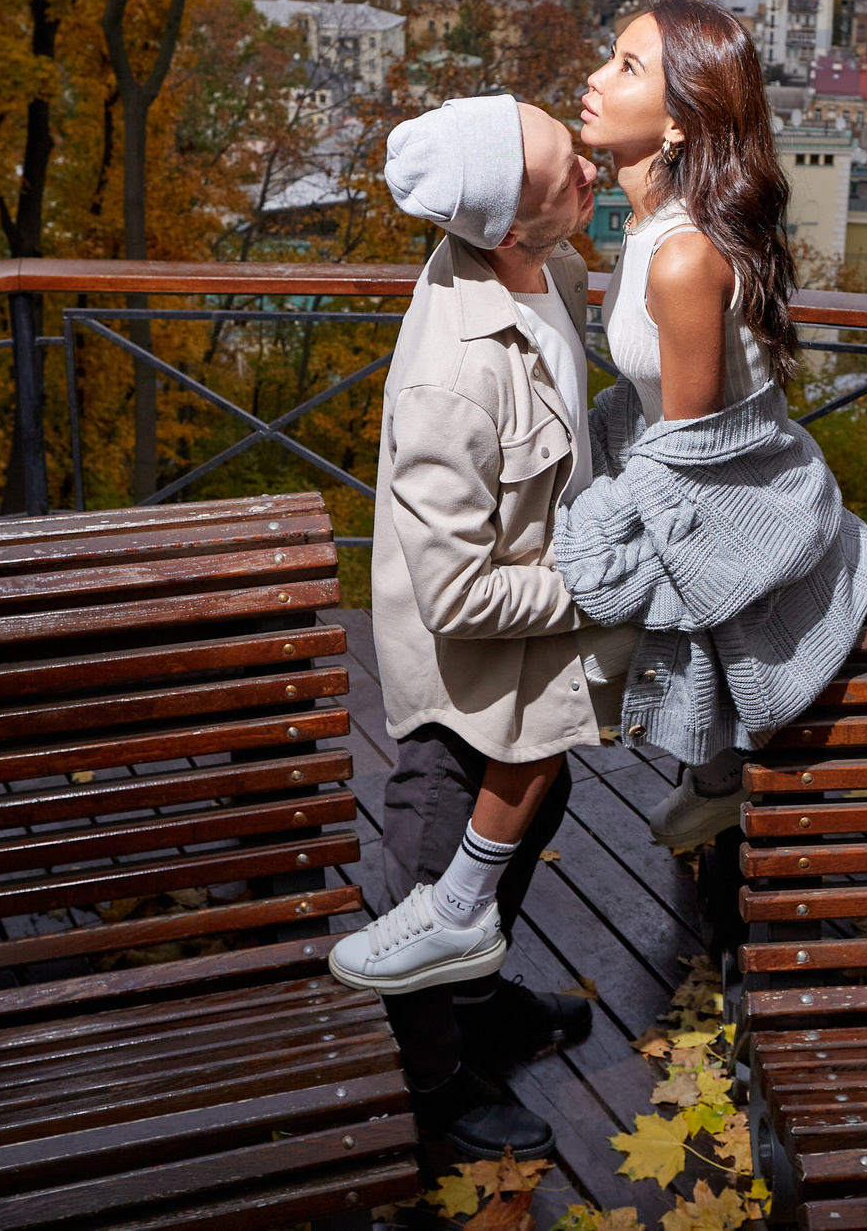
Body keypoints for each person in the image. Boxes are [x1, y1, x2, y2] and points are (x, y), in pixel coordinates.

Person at [328, 92, 633, 1162]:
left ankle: (476, 1001)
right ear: (506, 225)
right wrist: (598, 584)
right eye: (564, 172)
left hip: (533, 662)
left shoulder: (550, 267)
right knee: (430, 878)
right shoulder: (452, 382)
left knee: (530, 825)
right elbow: (456, 598)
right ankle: (435, 1086)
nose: (588, 169)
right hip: (464, 689)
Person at [554, 0, 867, 849]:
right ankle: (712, 777)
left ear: (678, 123)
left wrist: (582, 527)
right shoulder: (649, 230)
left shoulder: (684, 255)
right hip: (694, 482)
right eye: (610, 55)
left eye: (628, 66)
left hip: (738, 511)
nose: (596, 77)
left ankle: (718, 775)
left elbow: (692, 455)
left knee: (548, 637)